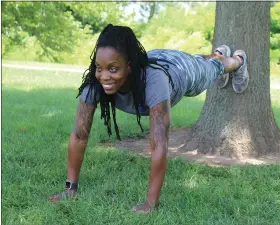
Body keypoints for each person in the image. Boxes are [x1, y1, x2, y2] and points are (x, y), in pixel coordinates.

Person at [48, 24, 249, 213]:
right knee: (202, 60)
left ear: (129, 67)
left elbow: (159, 144)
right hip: (156, 57)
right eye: (99, 68)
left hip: (179, 72)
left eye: (113, 69)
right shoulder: (95, 84)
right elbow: (79, 136)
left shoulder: (154, 82)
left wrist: (150, 204)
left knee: (212, 69)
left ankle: (236, 60)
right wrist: (70, 188)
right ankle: (218, 54)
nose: (104, 76)